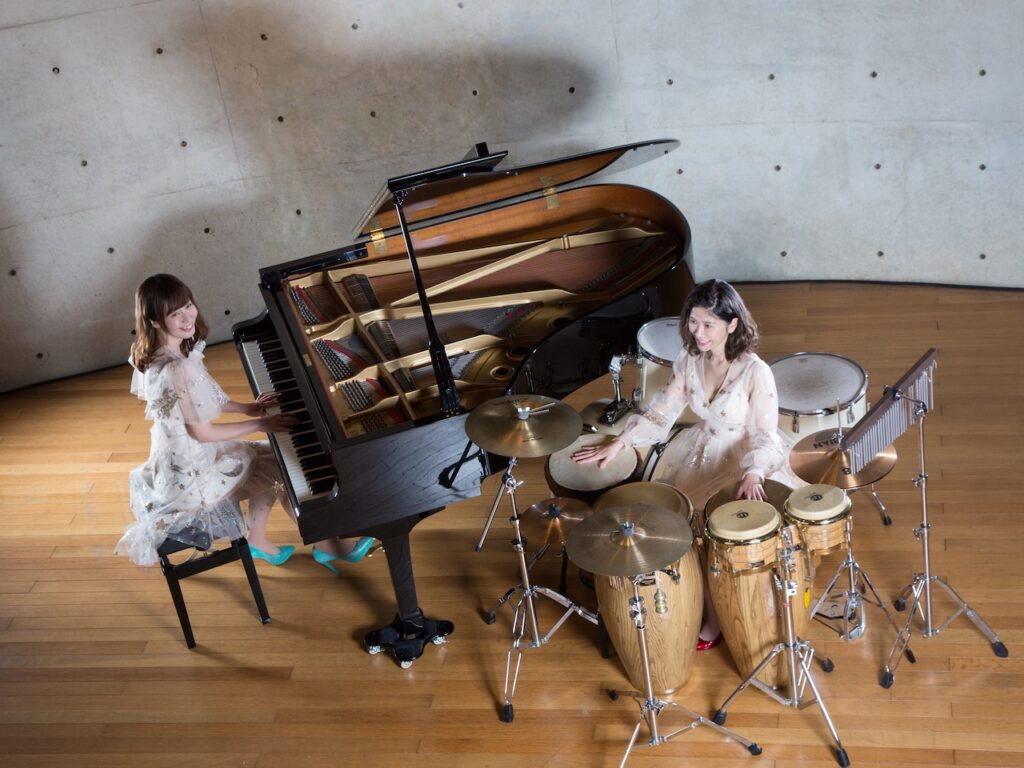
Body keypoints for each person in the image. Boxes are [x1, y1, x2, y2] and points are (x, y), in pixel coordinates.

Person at [573, 278, 803, 647]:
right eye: (693, 322)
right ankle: (706, 607)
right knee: (685, 530)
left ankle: (738, 609)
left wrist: (755, 471)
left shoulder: (755, 370)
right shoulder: (689, 359)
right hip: (701, 447)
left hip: (743, 455)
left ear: (732, 324)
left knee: (724, 535)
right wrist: (621, 441)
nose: (698, 332)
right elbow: (662, 411)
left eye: (708, 325)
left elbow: (764, 434)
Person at [115, 273, 373, 571]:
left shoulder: (157, 351)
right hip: (190, 475)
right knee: (279, 465)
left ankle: (262, 539)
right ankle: (328, 545)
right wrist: (261, 424)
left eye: (188, 305)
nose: (187, 317)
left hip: (175, 457)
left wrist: (247, 408)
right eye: (175, 313)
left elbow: (199, 401)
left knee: (271, 456)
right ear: (155, 321)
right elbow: (201, 432)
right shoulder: (177, 367)